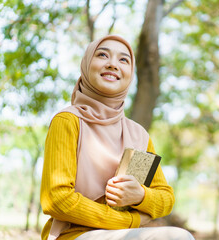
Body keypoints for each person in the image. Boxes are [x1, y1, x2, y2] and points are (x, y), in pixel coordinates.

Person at [40, 35, 195, 240]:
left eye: (124, 60)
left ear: (131, 74)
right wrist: (133, 220)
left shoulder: (137, 135)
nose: (113, 64)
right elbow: (57, 199)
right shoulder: (68, 121)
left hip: (124, 234)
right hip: (74, 233)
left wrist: (141, 196)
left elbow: (166, 198)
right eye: (102, 55)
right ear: (86, 65)